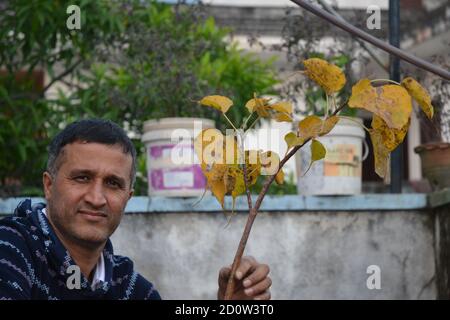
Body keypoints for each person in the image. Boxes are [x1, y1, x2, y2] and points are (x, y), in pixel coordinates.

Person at [0, 119, 271, 300]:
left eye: (113, 183)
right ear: (49, 185)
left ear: (128, 197)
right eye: (82, 178)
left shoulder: (129, 286)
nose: (96, 198)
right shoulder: (10, 249)